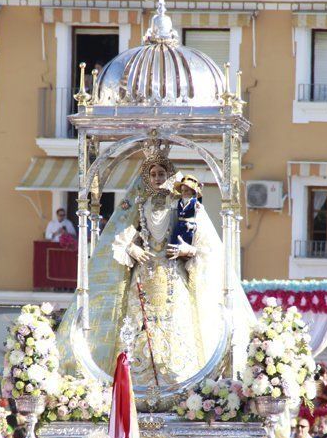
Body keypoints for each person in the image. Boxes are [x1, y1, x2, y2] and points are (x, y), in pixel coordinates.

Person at [55, 137, 255, 388]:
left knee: (177, 328)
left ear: (170, 175)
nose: (158, 177)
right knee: (136, 331)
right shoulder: (139, 205)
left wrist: (188, 250)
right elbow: (119, 237)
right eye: (153, 173)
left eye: (162, 173)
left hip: (173, 277)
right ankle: (138, 384)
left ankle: (180, 383)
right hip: (144, 277)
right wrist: (132, 248)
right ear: (147, 177)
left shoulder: (183, 204)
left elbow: (205, 245)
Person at [170, 175, 201, 247]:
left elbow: (199, 217)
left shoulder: (194, 202)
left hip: (189, 227)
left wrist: (194, 225)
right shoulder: (180, 201)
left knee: (186, 243)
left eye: (186, 190)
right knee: (175, 243)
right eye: (182, 191)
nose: (184, 193)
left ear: (192, 191)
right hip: (179, 226)